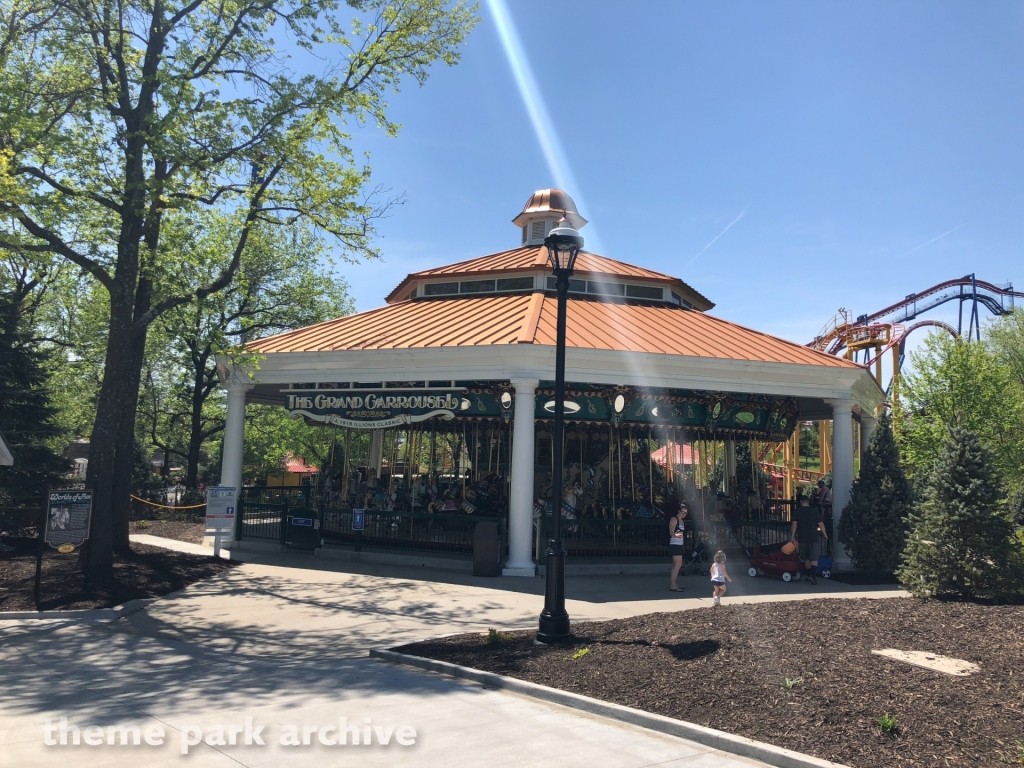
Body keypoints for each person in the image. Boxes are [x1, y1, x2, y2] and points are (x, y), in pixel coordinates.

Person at [790, 494, 828, 584]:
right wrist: (825, 534)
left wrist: (792, 536)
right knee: (814, 557)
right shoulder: (814, 511)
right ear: (808, 502)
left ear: (800, 502)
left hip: (802, 537)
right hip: (813, 537)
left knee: (806, 557)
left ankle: (808, 575)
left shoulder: (797, 511)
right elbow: (821, 524)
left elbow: (794, 525)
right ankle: (812, 576)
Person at [668, 501, 690, 592]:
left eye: (686, 513)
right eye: (683, 512)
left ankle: (674, 583)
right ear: (679, 511)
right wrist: (676, 535)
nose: (684, 514)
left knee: (675, 564)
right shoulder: (674, 519)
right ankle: (673, 585)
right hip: (674, 544)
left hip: (680, 544)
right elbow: (671, 532)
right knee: (678, 564)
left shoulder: (682, 521)